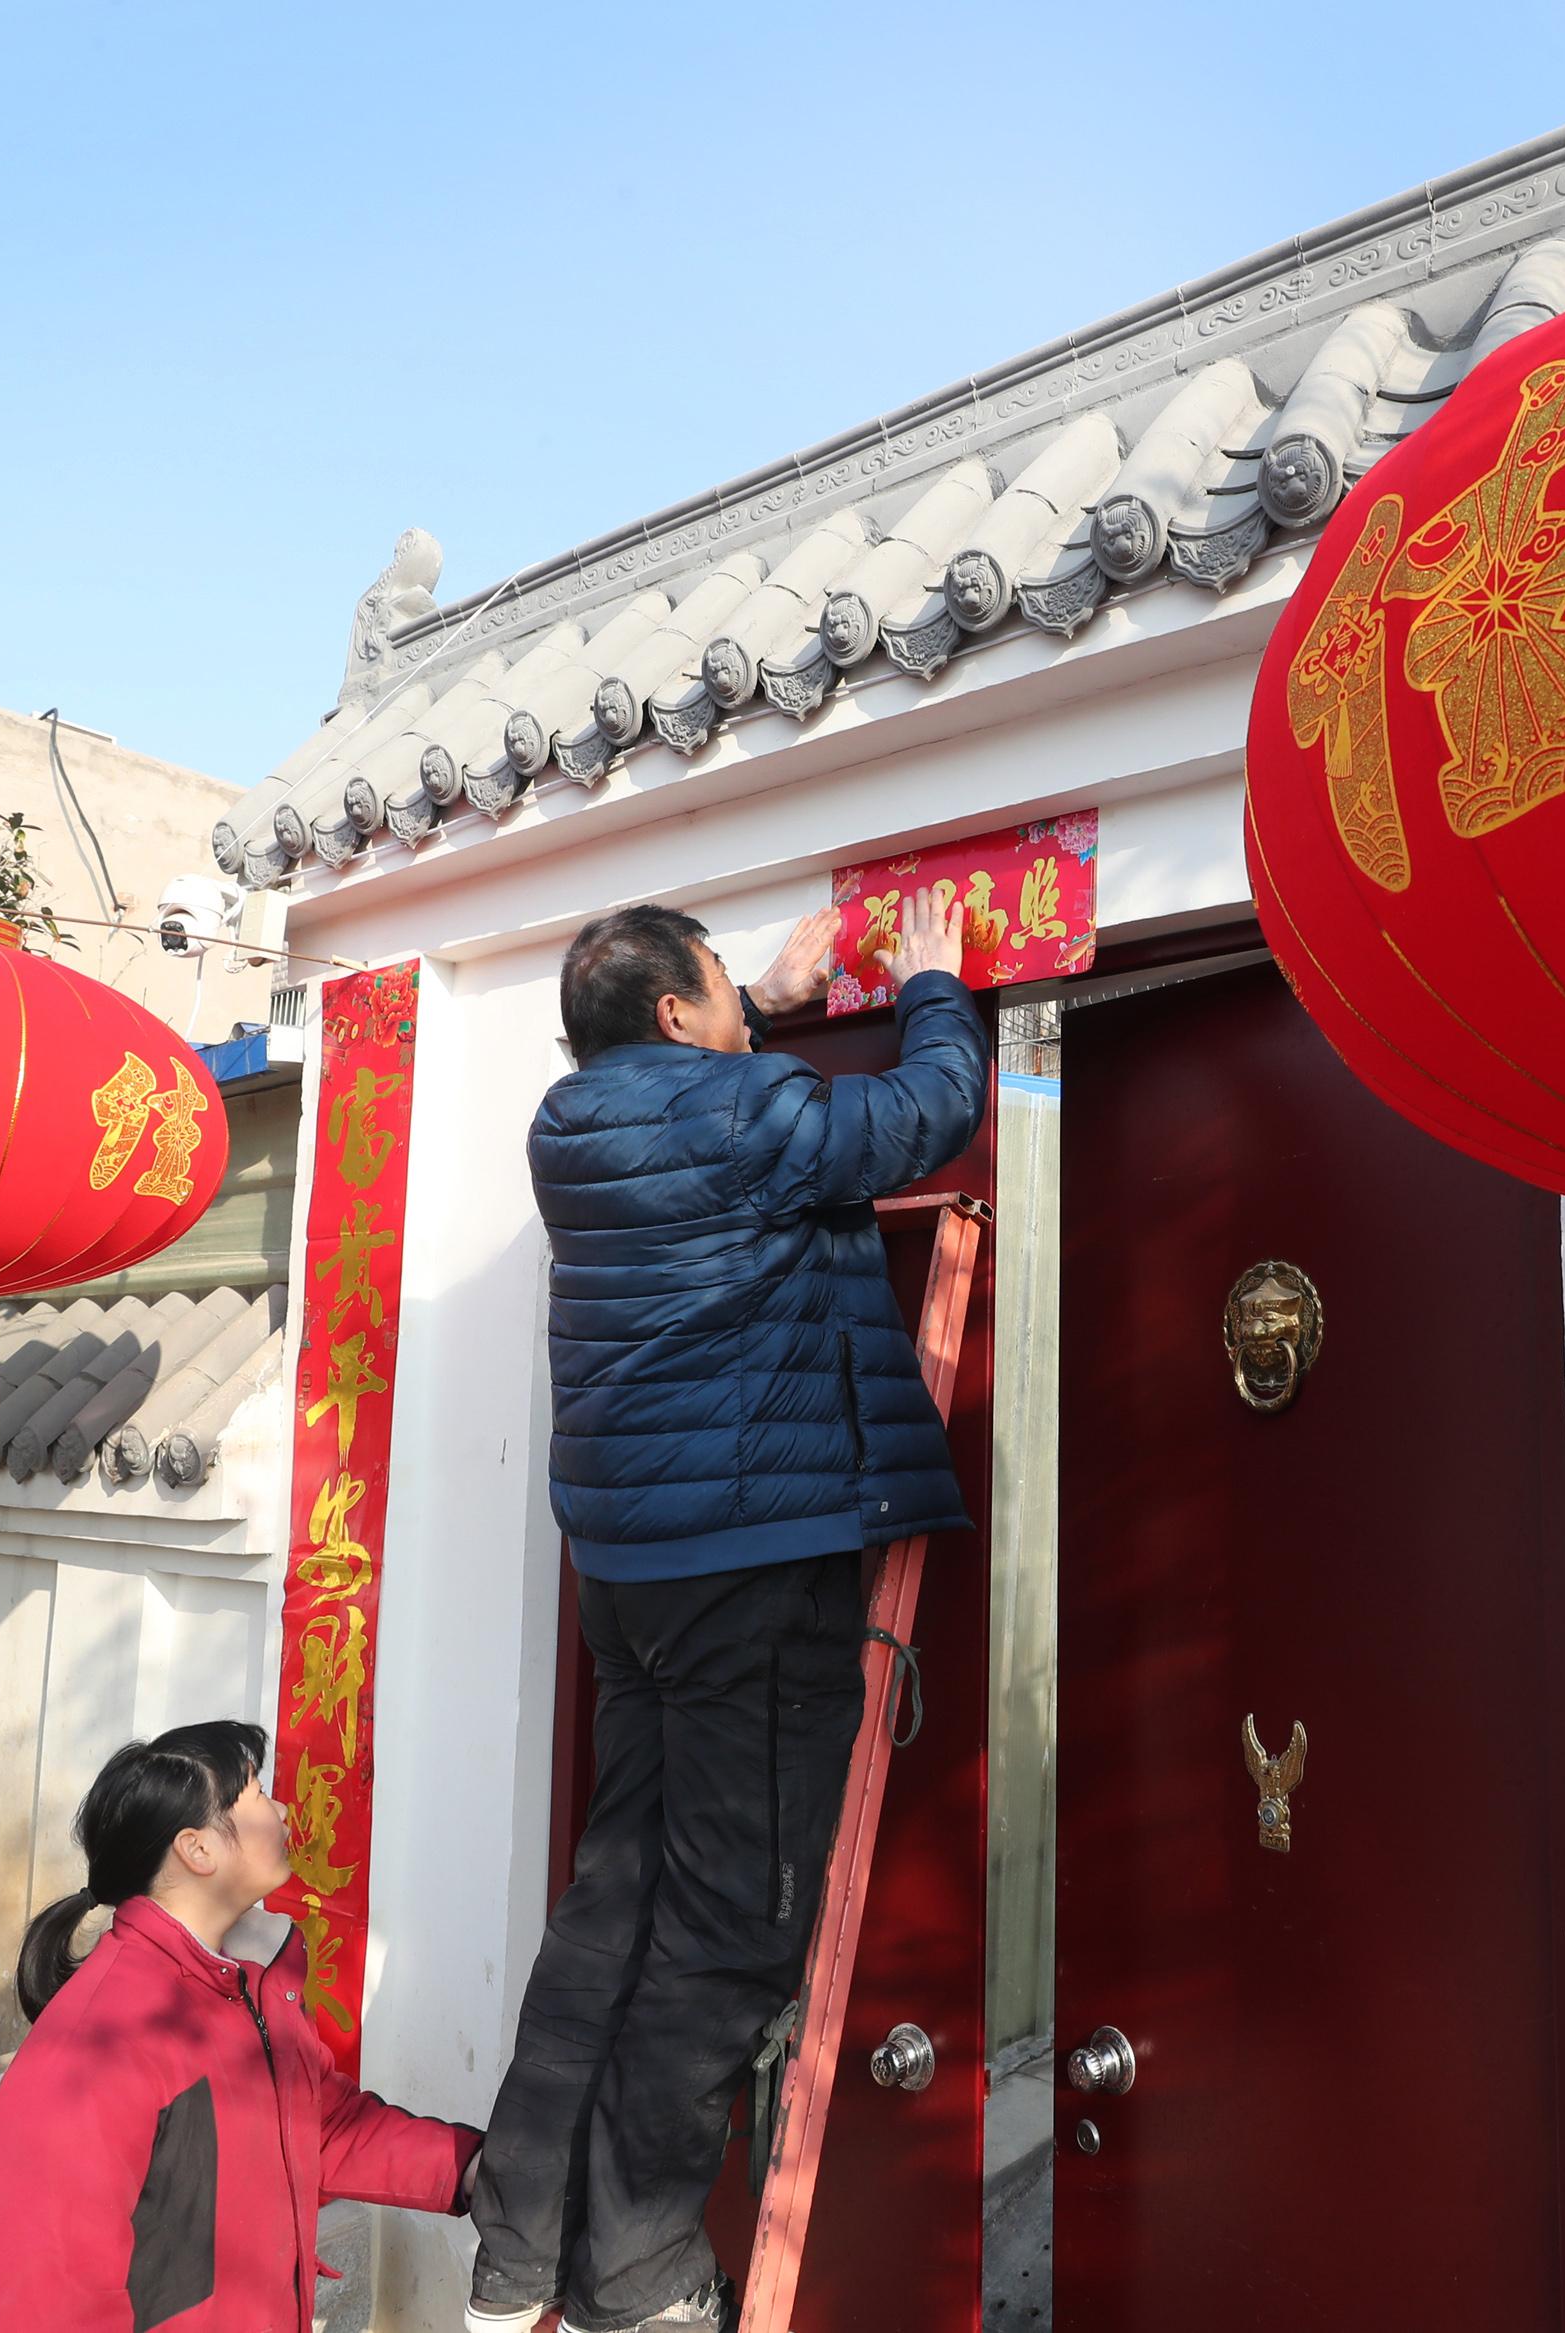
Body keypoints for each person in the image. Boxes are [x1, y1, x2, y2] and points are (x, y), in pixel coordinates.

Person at [465, 885, 983, 2333]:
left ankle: (514, 2264)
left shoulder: (572, 1130)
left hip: (633, 1579)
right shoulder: (744, 1112)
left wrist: (758, 995)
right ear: (682, 1019)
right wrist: (934, 982)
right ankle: (639, 2274)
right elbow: (921, 1115)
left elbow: (699, 1098)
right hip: (753, 1568)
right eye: (721, 993)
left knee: (612, 1904)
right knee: (727, 1929)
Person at [0, 1721, 482, 2333]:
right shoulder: (99, 2043)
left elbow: (323, 2128)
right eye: (258, 1795)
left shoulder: (249, 1984)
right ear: (199, 1849)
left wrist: (477, 2168)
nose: (284, 1809)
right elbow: (42, 2300)